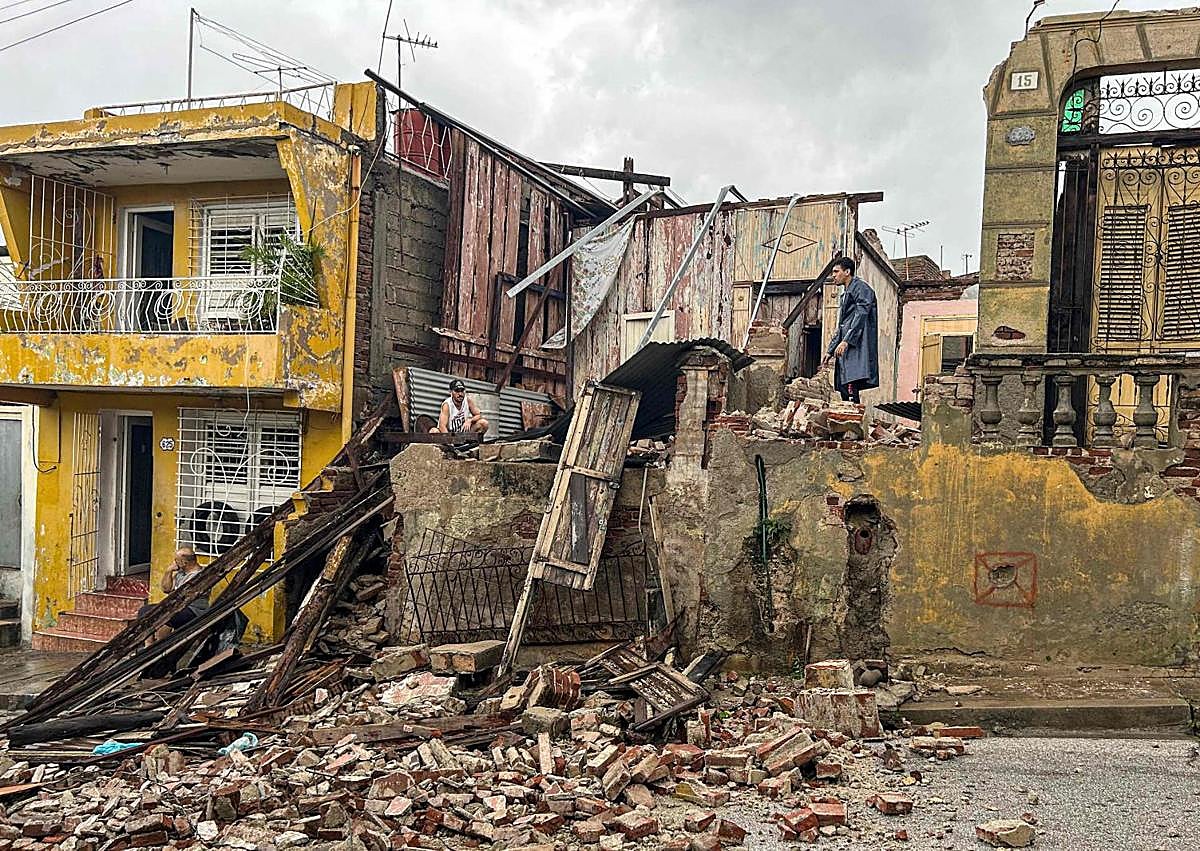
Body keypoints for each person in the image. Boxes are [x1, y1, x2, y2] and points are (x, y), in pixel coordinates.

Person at [825, 257, 879, 403]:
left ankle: (852, 421)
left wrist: (846, 341)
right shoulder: (846, 294)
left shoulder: (861, 288)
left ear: (847, 271)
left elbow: (861, 315)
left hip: (856, 345)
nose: (833, 276)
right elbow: (842, 325)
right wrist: (830, 350)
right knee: (844, 386)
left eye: (836, 272)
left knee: (851, 384)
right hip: (847, 345)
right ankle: (847, 420)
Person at [138, 547, 211, 643]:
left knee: (162, 615)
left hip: (192, 610)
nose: (174, 562)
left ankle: (161, 645)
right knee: (145, 611)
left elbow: (181, 597)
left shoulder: (199, 576)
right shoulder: (181, 573)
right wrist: (169, 571)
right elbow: (166, 589)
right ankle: (149, 644)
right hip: (177, 607)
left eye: (176, 560)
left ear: (184, 562)